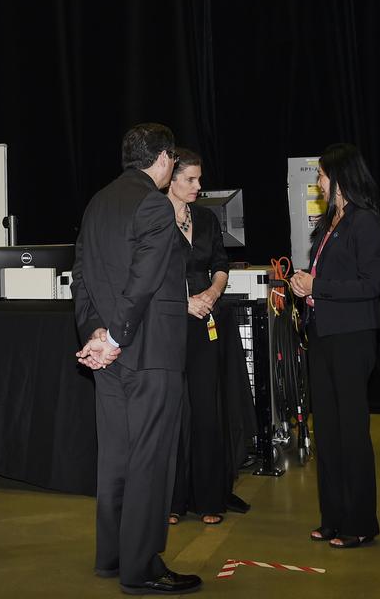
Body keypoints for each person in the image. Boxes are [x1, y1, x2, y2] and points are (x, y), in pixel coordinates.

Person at [72, 124, 202, 596]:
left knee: (117, 457)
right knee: (150, 459)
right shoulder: (155, 204)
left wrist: (95, 334)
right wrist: (117, 337)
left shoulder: (98, 202)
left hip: (109, 356)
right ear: (165, 159)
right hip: (148, 353)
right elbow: (145, 280)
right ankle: (142, 566)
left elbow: (80, 275)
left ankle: (112, 556)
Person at [289, 143, 380, 550]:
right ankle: (333, 517)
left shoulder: (365, 223)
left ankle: (361, 521)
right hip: (324, 336)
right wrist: (303, 286)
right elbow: (326, 280)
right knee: (326, 431)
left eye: (323, 175)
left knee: (351, 432)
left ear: (342, 178)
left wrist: (319, 287)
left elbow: (371, 284)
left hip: (352, 338)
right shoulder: (331, 222)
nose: (318, 182)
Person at [164, 148, 236, 526]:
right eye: (190, 179)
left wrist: (212, 292)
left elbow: (220, 264)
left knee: (206, 410)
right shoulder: (154, 219)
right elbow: (148, 277)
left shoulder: (207, 218)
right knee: (173, 412)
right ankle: (173, 499)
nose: (198, 185)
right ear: (171, 179)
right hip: (169, 325)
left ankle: (210, 499)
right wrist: (182, 303)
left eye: (198, 178)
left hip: (207, 320)